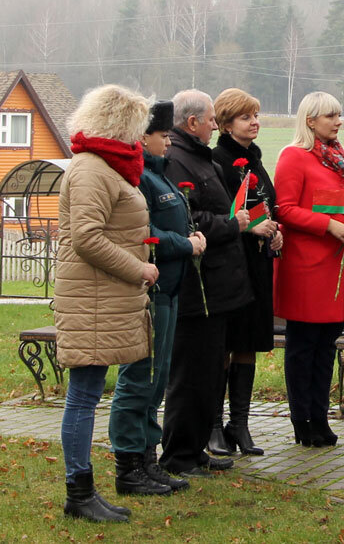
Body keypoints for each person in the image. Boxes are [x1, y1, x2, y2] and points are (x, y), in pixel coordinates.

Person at [55, 84, 158, 522]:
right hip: (91, 300)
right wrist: (139, 269)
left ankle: (83, 492)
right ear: (120, 124)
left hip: (100, 298)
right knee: (83, 396)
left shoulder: (107, 166)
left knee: (88, 393)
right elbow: (87, 238)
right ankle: (79, 494)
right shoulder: (92, 169)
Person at [160, 89, 259, 476]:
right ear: (192, 122)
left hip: (218, 288)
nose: (215, 126)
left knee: (208, 373)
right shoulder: (177, 161)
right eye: (212, 119)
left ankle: (196, 447)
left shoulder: (200, 158)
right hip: (197, 288)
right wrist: (232, 224)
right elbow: (187, 219)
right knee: (190, 376)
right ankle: (178, 454)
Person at [107, 100, 203, 498]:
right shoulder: (139, 178)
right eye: (164, 135)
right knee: (140, 378)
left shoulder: (160, 176)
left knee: (156, 379)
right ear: (143, 137)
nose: (169, 141)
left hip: (170, 289)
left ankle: (148, 458)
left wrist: (189, 236)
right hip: (152, 290)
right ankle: (129, 464)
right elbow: (143, 232)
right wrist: (186, 244)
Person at [274, 91, 344, 447]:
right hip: (306, 265)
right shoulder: (293, 157)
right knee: (303, 346)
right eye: (331, 116)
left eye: (339, 115)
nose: (338, 121)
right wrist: (327, 226)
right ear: (310, 121)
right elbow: (285, 209)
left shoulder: (339, 156)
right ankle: (302, 420)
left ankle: (320, 415)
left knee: (327, 343)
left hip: (336, 264)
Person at [210, 89, 283, 456]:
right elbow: (222, 212)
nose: (254, 122)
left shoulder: (255, 158)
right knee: (225, 344)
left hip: (258, 265)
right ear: (225, 124)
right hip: (231, 264)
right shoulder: (218, 161)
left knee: (248, 343)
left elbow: (269, 205)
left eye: (255, 115)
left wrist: (275, 231)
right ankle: (213, 423)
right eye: (245, 117)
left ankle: (239, 423)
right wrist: (251, 228)